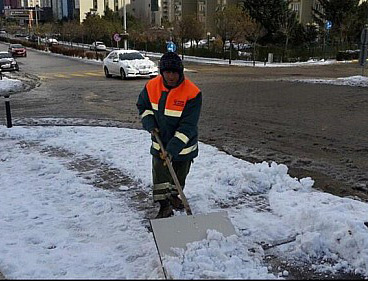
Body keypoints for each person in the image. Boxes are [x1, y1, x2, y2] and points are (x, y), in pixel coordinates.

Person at [136, 52, 202, 219]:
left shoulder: (192, 93)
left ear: (180, 72)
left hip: (184, 145)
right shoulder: (152, 86)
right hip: (160, 143)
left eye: (174, 72)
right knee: (160, 176)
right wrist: (150, 123)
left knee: (178, 177)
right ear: (161, 72)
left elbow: (188, 126)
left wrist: (172, 150)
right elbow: (143, 107)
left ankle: (173, 196)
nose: (171, 76)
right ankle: (164, 206)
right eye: (167, 72)